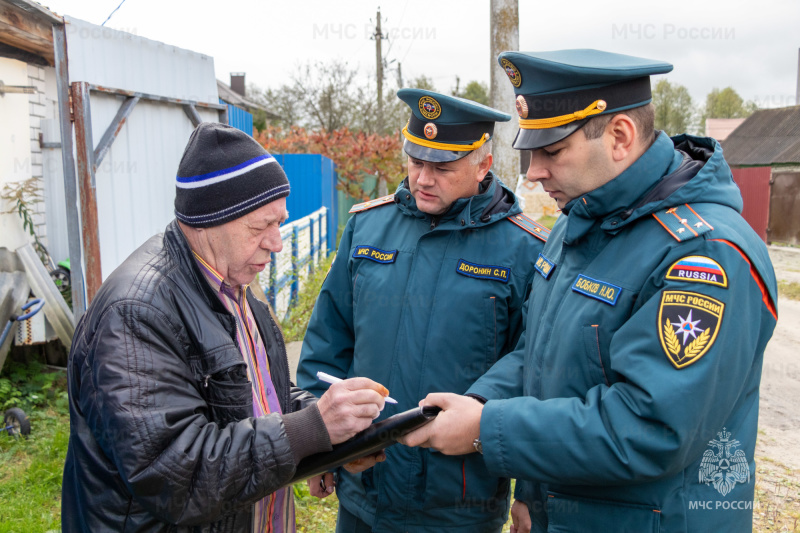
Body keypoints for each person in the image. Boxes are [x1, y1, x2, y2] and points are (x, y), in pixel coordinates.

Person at [401, 50, 778, 533]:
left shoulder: (704, 255)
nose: (534, 171)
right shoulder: (580, 221)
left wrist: (484, 429)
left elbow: (651, 429)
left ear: (619, 137)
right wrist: (479, 411)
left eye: (552, 151)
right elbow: (539, 358)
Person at [61, 123, 388, 532]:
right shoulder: (135, 314)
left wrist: (333, 436)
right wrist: (311, 428)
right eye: (259, 227)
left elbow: (257, 397)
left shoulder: (232, 285)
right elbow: (174, 474)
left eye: (279, 223)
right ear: (206, 221)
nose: (277, 242)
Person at [295, 89, 548, 532]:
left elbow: (537, 372)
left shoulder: (525, 249)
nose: (423, 179)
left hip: (459, 505)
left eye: (442, 168)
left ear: (482, 165)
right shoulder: (367, 226)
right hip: (364, 495)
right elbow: (328, 341)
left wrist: (531, 491)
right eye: (416, 162)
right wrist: (318, 443)